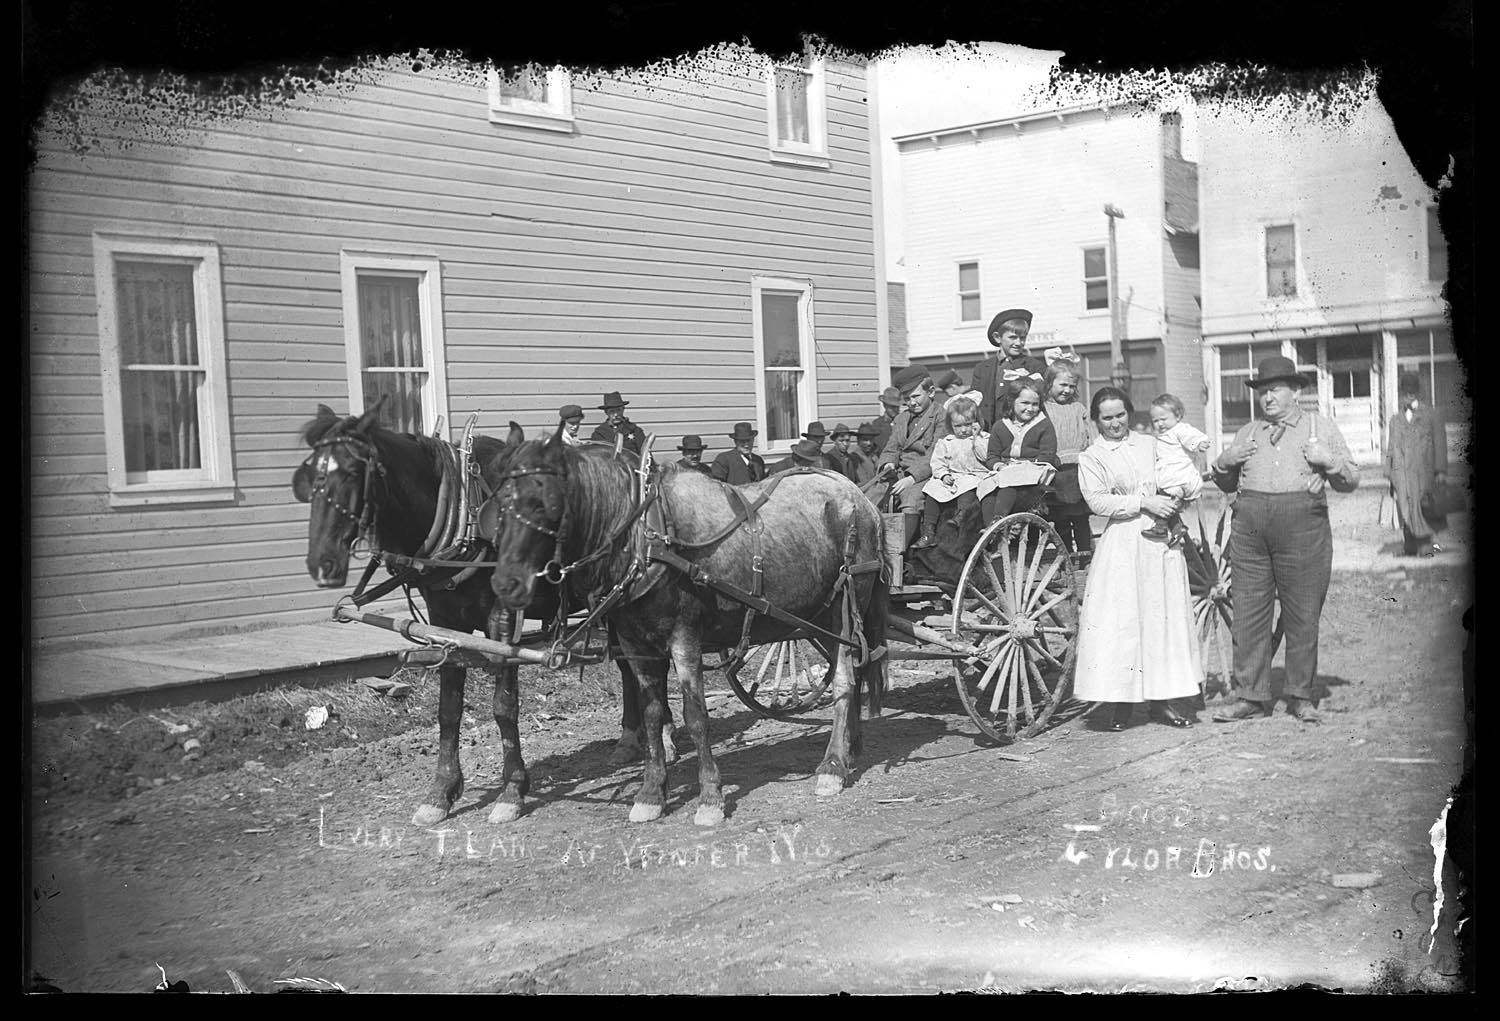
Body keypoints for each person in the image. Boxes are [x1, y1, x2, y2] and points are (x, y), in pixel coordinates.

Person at [1209, 355, 1359, 725]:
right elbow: (1226, 482)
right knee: (1248, 613)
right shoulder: (1248, 432)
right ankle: (1250, 696)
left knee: (1302, 613)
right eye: (1262, 392)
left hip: (1303, 529)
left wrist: (1328, 462)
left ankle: (1300, 695)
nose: (1267, 398)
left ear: (1295, 391)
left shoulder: (1318, 427)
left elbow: (1351, 480)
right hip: (1250, 530)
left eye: (1274, 390)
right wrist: (1226, 459)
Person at [1073, 386, 1202, 731]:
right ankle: (1121, 703)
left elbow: (1176, 473)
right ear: (1096, 420)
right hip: (1123, 543)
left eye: (1120, 415)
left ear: (1129, 413)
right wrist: (1143, 502)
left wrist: (1174, 504)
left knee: (1160, 617)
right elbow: (1098, 502)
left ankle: (1162, 700)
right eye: (1107, 417)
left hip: (1159, 543)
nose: (1115, 423)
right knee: (1124, 620)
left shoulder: (1151, 444)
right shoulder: (1092, 456)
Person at [878, 365, 945, 549]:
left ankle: (899, 552)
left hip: (926, 475)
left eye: (915, 396)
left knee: (911, 498)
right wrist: (888, 464)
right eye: (907, 399)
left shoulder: (941, 416)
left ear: (931, 392)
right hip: (898, 475)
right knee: (869, 496)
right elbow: (891, 448)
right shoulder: (901, 419)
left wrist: (911, 478)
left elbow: (935, 455)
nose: (911, 402)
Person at [980, 375, 1059, 527]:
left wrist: (1024, 466)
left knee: (1010, 482)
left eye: (1035, 404)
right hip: (1006, 469)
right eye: (1025, 403)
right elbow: (992, 456)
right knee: (987, 488)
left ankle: (999, 521)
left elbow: (1047, 455)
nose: (1030, 408)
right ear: (1011, 401)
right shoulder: (1000, 426)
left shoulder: (1044, 424)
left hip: (1035, 470)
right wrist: (1000, 466)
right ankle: (988, 531)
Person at [1385, 372, 1449, 557]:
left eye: (1411, 392)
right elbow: (1391, 449)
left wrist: (1440, 471)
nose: (1408, 396)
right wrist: (1390, 477)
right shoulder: (1395, 420)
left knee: (1423, 508)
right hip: (1403, 476)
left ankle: (1425, 546)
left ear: (1418, 393)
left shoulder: (1431, 415)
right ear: (1400, 393)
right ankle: (1410, 546)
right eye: (1405, 392)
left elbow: (1440, 443)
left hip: (1424, 474)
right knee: (1405, 508)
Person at [912, 396, 988, 549]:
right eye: (958, 426)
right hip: (953, 476)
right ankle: (929, 531)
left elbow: (985, 456)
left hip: (975, 475)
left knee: (968, 486)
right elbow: (937, 462)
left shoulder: (983, 438)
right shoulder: (946, 442)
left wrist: (976, 437)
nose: (963, 430)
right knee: (932, 488)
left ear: (976, 422)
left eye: (968, 424)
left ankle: (961, 517)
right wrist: (943, 475)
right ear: (950, 425)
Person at [1140, 393, 1212, 547]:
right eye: (1155, 421)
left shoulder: (1180, 429)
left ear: (1177, 415)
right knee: (1167, 501)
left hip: (1180, 476)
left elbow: (1192, 436)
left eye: (1163, 419)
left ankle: (1160, 528)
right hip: (1175, 476)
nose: (1159, 424)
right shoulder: (1164, 434)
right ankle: (1177, 528)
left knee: (1164, 500)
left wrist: (1199, 444)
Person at [1042, 364, 1096, 561]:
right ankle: (1067, 558)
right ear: (1049, 383)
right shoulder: (1044, 409)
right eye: (1062, 384)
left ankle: (1085, 556)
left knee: (1080, 517)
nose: (1067, 390)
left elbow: (1089, 435)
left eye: (1072, 386)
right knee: (1061, 517)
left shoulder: (1078, 408)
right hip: (1056, 470)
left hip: (1078, 468)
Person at [972, 309, 1049, 429]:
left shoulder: (1035, 367)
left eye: (1022, 338)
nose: (1018, 343)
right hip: (989, 434)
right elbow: (975, 403)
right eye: (1013, 337)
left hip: (1022, 432)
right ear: (998, 338)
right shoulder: (982, 369)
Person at [590, 391, 647, 456]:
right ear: (606, 412)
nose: (616, 414)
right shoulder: (599, 433)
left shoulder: (634, 430)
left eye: (618, 410)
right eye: (612, 411)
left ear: (623, 409)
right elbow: (595, 458)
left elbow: (646, 456)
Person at [872, 386, 903, 454]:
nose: (895, 409)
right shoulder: (877, 424)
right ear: (885, 405)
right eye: (892, 407)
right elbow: (878, 446)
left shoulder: (904, 422)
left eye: (897, 407)